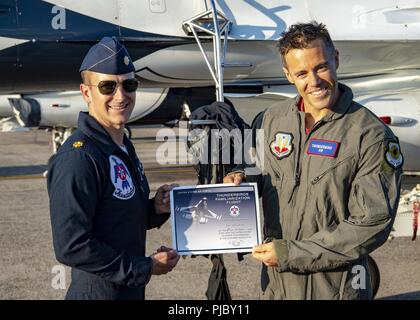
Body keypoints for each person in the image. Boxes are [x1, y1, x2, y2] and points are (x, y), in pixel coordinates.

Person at [224, 22, 403, 300]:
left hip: (336, 288)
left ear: (336, 59)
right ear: (288, 75)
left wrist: (291, 254)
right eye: (302, 73)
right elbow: (254, 169)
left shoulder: (370, 136)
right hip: (276, 288)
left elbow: (371, 224)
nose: (314, 81)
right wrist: (238, 180)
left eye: (321, 67)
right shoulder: (271, 120)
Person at [47, 36, 180, 300]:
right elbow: (72, 246)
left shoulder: (121, 146)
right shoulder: (80, 157)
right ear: (87, 93)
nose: (121, 96)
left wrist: (155, 208)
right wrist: (145, 267)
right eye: (107, 87)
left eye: (129, 85)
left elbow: (118, 217)